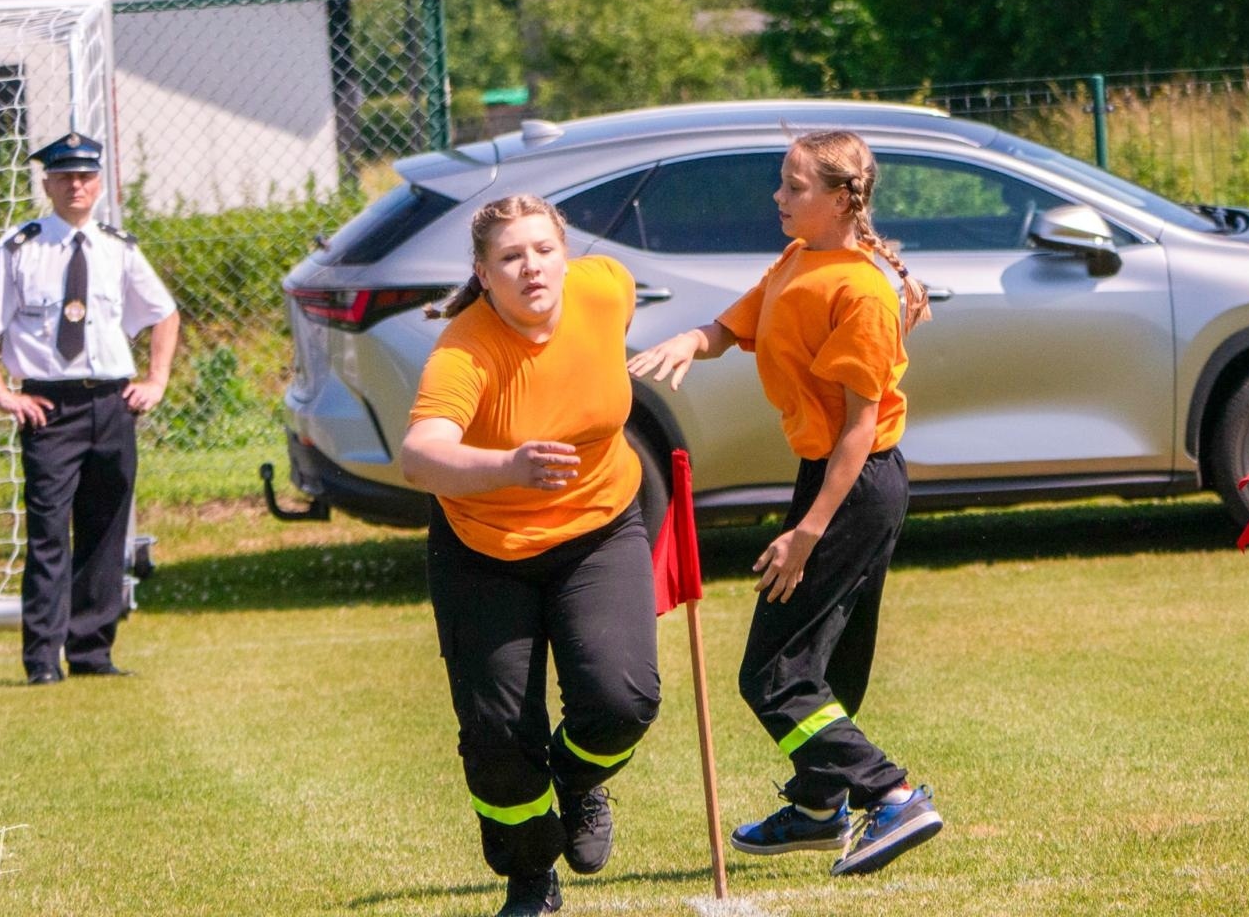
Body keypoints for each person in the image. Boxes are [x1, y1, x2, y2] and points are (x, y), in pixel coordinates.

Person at [627, 129, 943, 878]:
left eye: (794, 186)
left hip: (855, 484)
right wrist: (689, 342)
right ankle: (818, 807)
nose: (778, 196)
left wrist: (807, 532)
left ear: (841, 200)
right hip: (831, 478)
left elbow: (860, 429)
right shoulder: (799, 258)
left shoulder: (862, 292)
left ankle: (890, 794)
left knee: (772, 674)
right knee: (823, 662)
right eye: (782, 181)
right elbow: (733, 326)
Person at [401, 195, 660, 917]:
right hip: (484, 548)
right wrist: (508, 466)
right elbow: (420, 456)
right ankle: (529, 874)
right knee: (497, 736)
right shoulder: (465, 348)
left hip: (600, 529)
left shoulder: (605, 289)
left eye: (544, 250)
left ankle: (576, 781)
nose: (532, 267)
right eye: (511, 257)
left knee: (621, 702)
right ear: (484, 274)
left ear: (566, 254)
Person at [0, 132, 179, 685]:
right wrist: (2, 392)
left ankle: (92, 652)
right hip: (49, 408)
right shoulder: (20, 248)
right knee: (49, 533)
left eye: (85, 176)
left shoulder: (118, 248)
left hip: (111, 401)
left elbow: (164, 313)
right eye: (65, 177)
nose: (76, 185)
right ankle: (41, 660)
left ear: (98, 184)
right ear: (48, 184)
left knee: (105, 530)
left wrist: (156, 379)